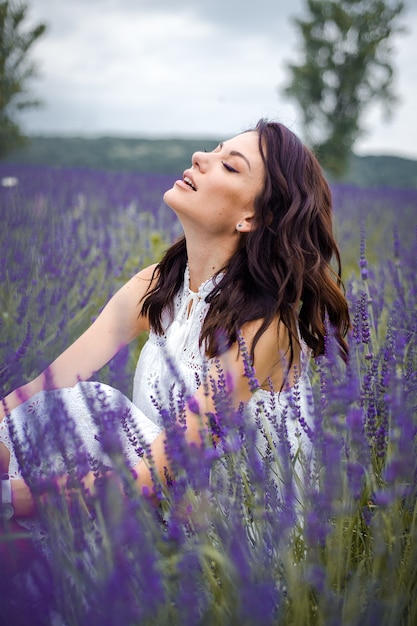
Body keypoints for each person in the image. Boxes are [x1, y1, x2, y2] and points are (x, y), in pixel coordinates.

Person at [0, 119, 350, 540]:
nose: (201, 157)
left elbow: (155, 476)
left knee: (92, 409)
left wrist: (11, 496)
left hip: (221, 537)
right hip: (139, 488)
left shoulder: (265, 329)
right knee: (61, 413)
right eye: (214, 149)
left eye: (230, 166)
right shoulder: (158, 286)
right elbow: (43, 388)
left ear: (253, 216)